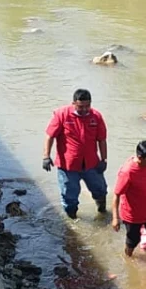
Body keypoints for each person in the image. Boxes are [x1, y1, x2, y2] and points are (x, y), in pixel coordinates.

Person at [42, 89, 108, 219]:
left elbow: (102, 139)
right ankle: (72, 221)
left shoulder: (96, 116)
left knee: (100, 191)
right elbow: (50, 136)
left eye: (87, 106)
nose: (84, 109)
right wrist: (46, 156)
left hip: (91, 164)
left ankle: (103, 214)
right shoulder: (62, 115)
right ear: (73, 103)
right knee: (69, 197)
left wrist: (104, 160)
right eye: (80, 106)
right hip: (68, 166)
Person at [112, 140, 146, 265]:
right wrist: (115, 218)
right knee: (133, 240)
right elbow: (116, 195)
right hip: (133, 214)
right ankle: (128, 260)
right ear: (140, 157)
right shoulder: (127, 173)